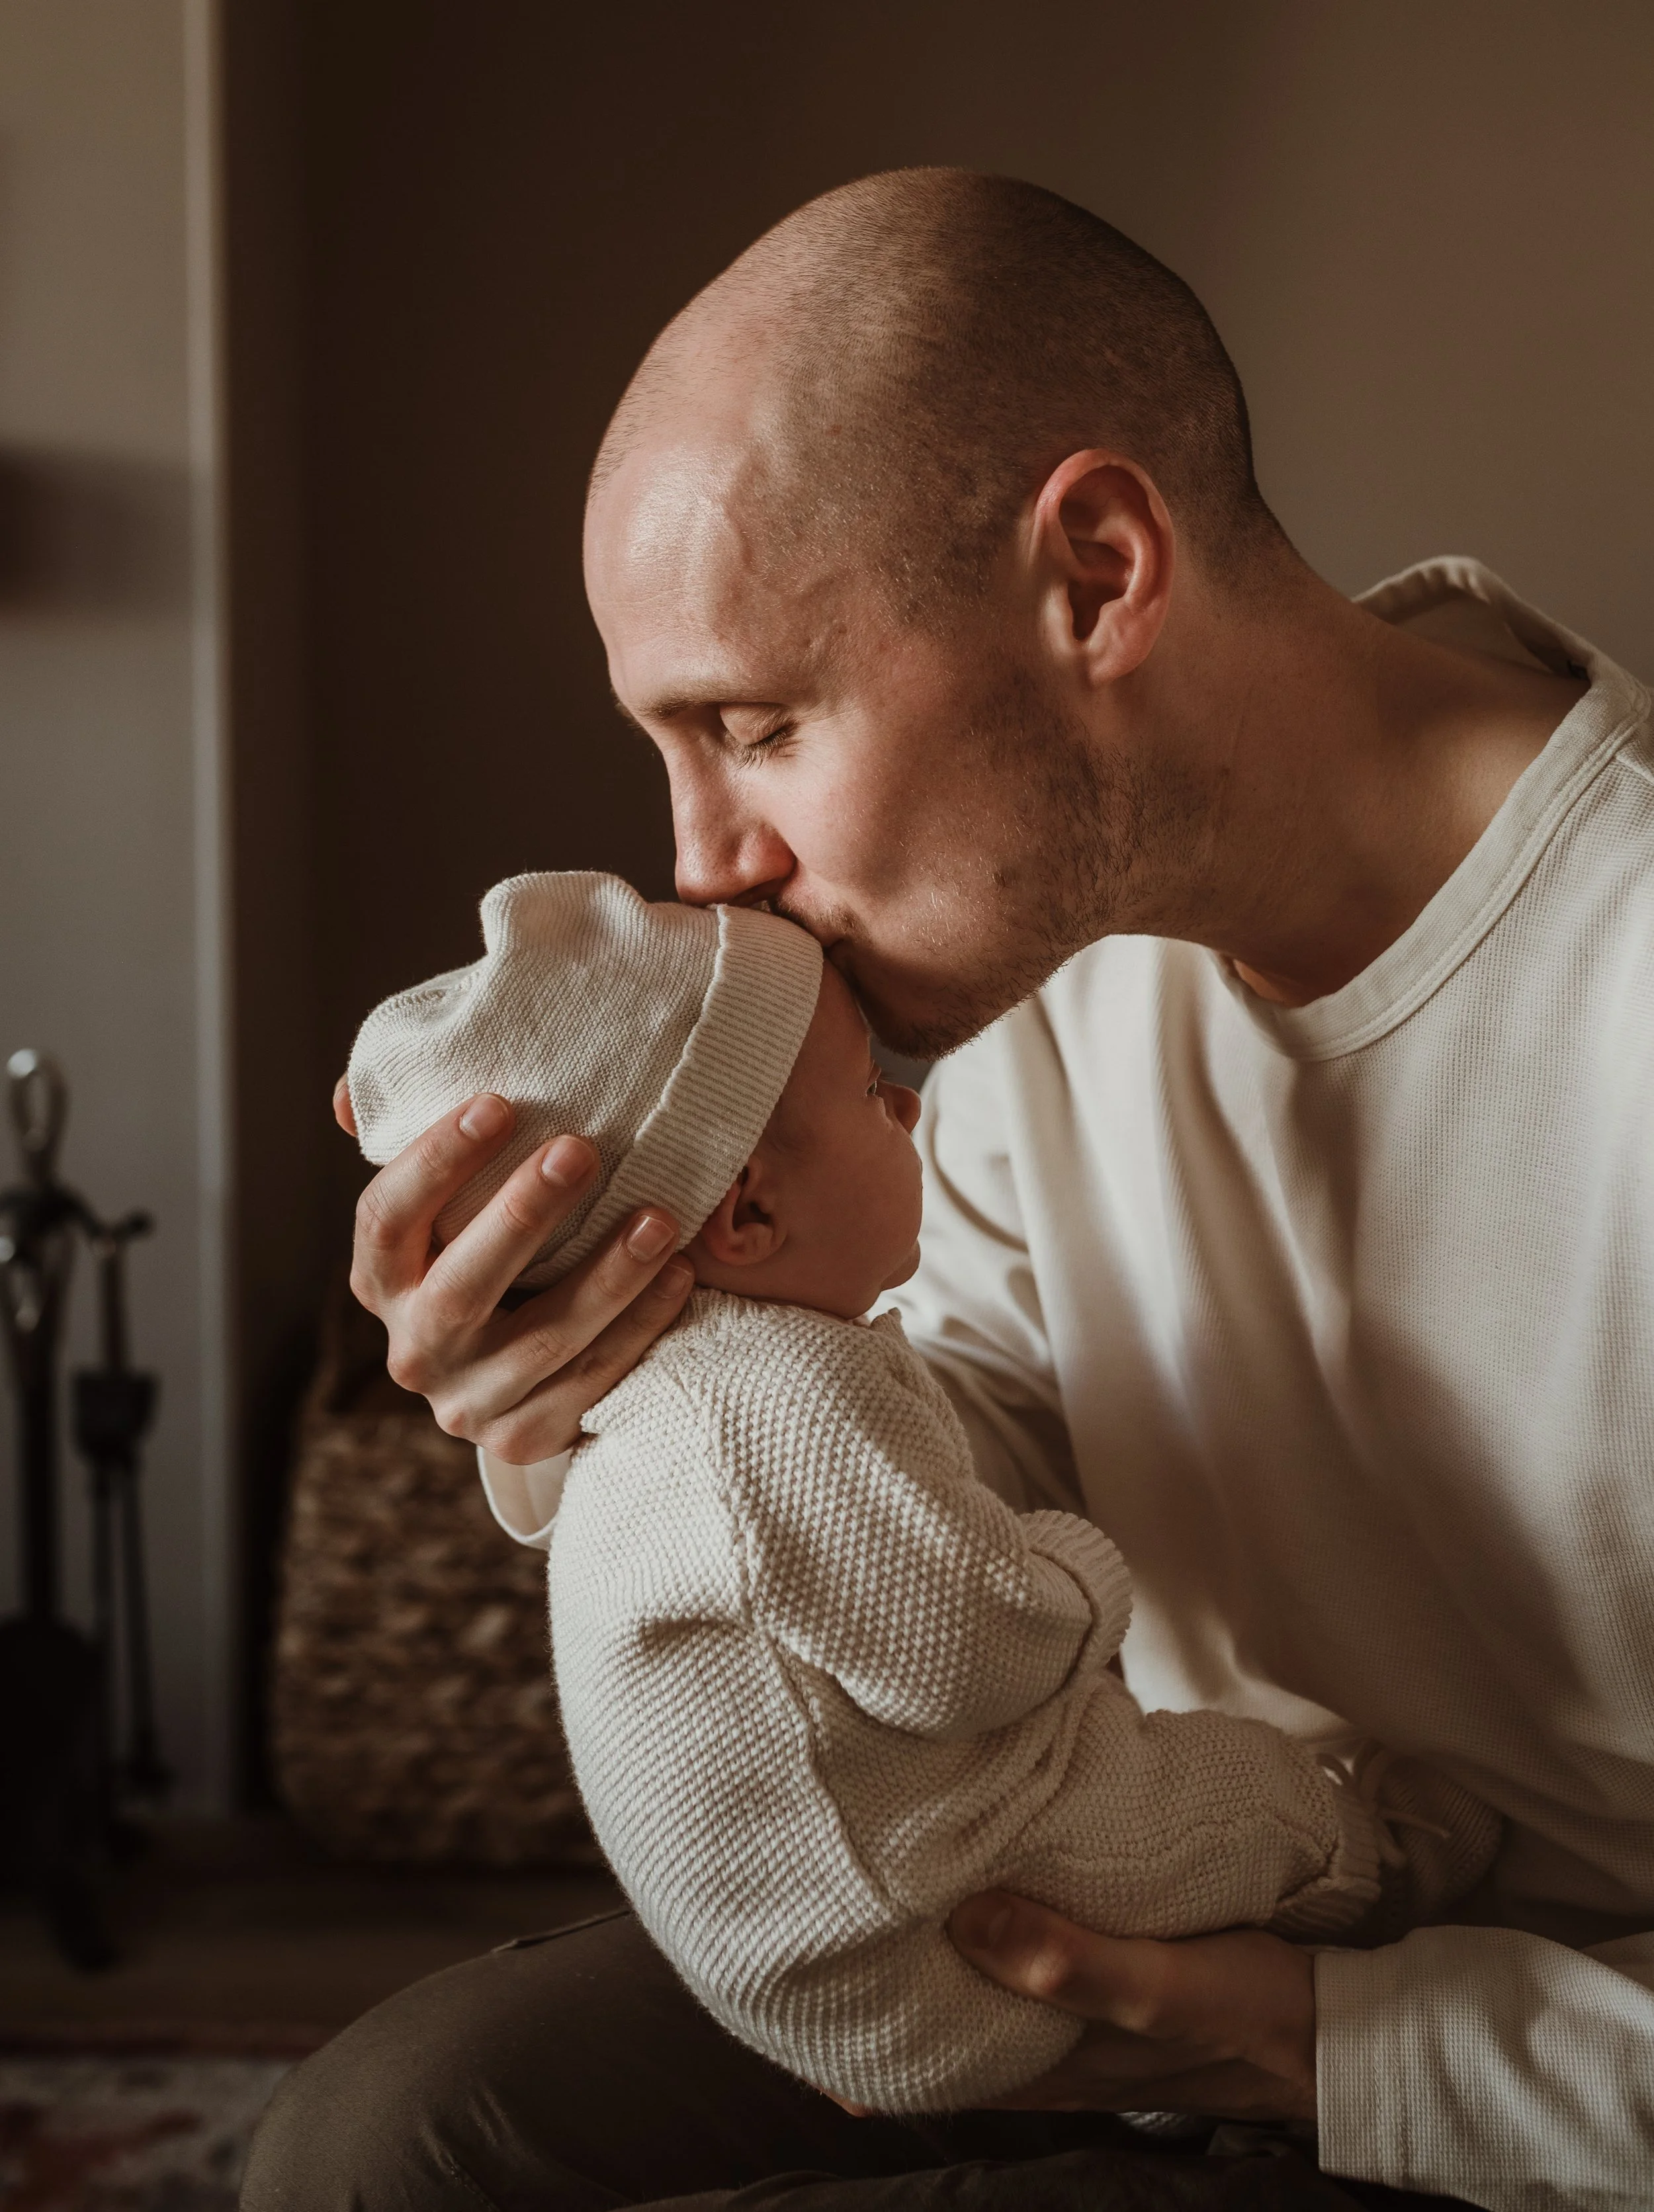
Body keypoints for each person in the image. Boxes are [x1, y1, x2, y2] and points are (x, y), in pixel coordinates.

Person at [243, 171, 1654, 2209]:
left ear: (1095, 570)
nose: (704, 860)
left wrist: (1326, 2049)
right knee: (387, 2148)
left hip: (1532, 2048)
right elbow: (925, 1470)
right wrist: (611, 1377)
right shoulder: (1027, 960)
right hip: (1127, 1878)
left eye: (752, 726)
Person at [344, 869, 1497, 2119]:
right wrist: (1078, 1577)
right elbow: (960, 1636)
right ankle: (1383, 1859)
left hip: (822, 1945)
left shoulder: (701, 1389)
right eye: (867, 1094)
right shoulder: (776, 1394)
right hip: (942, 1936)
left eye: (760, 728)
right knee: (1243, 1805)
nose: (907, 1103)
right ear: (749, 1210)